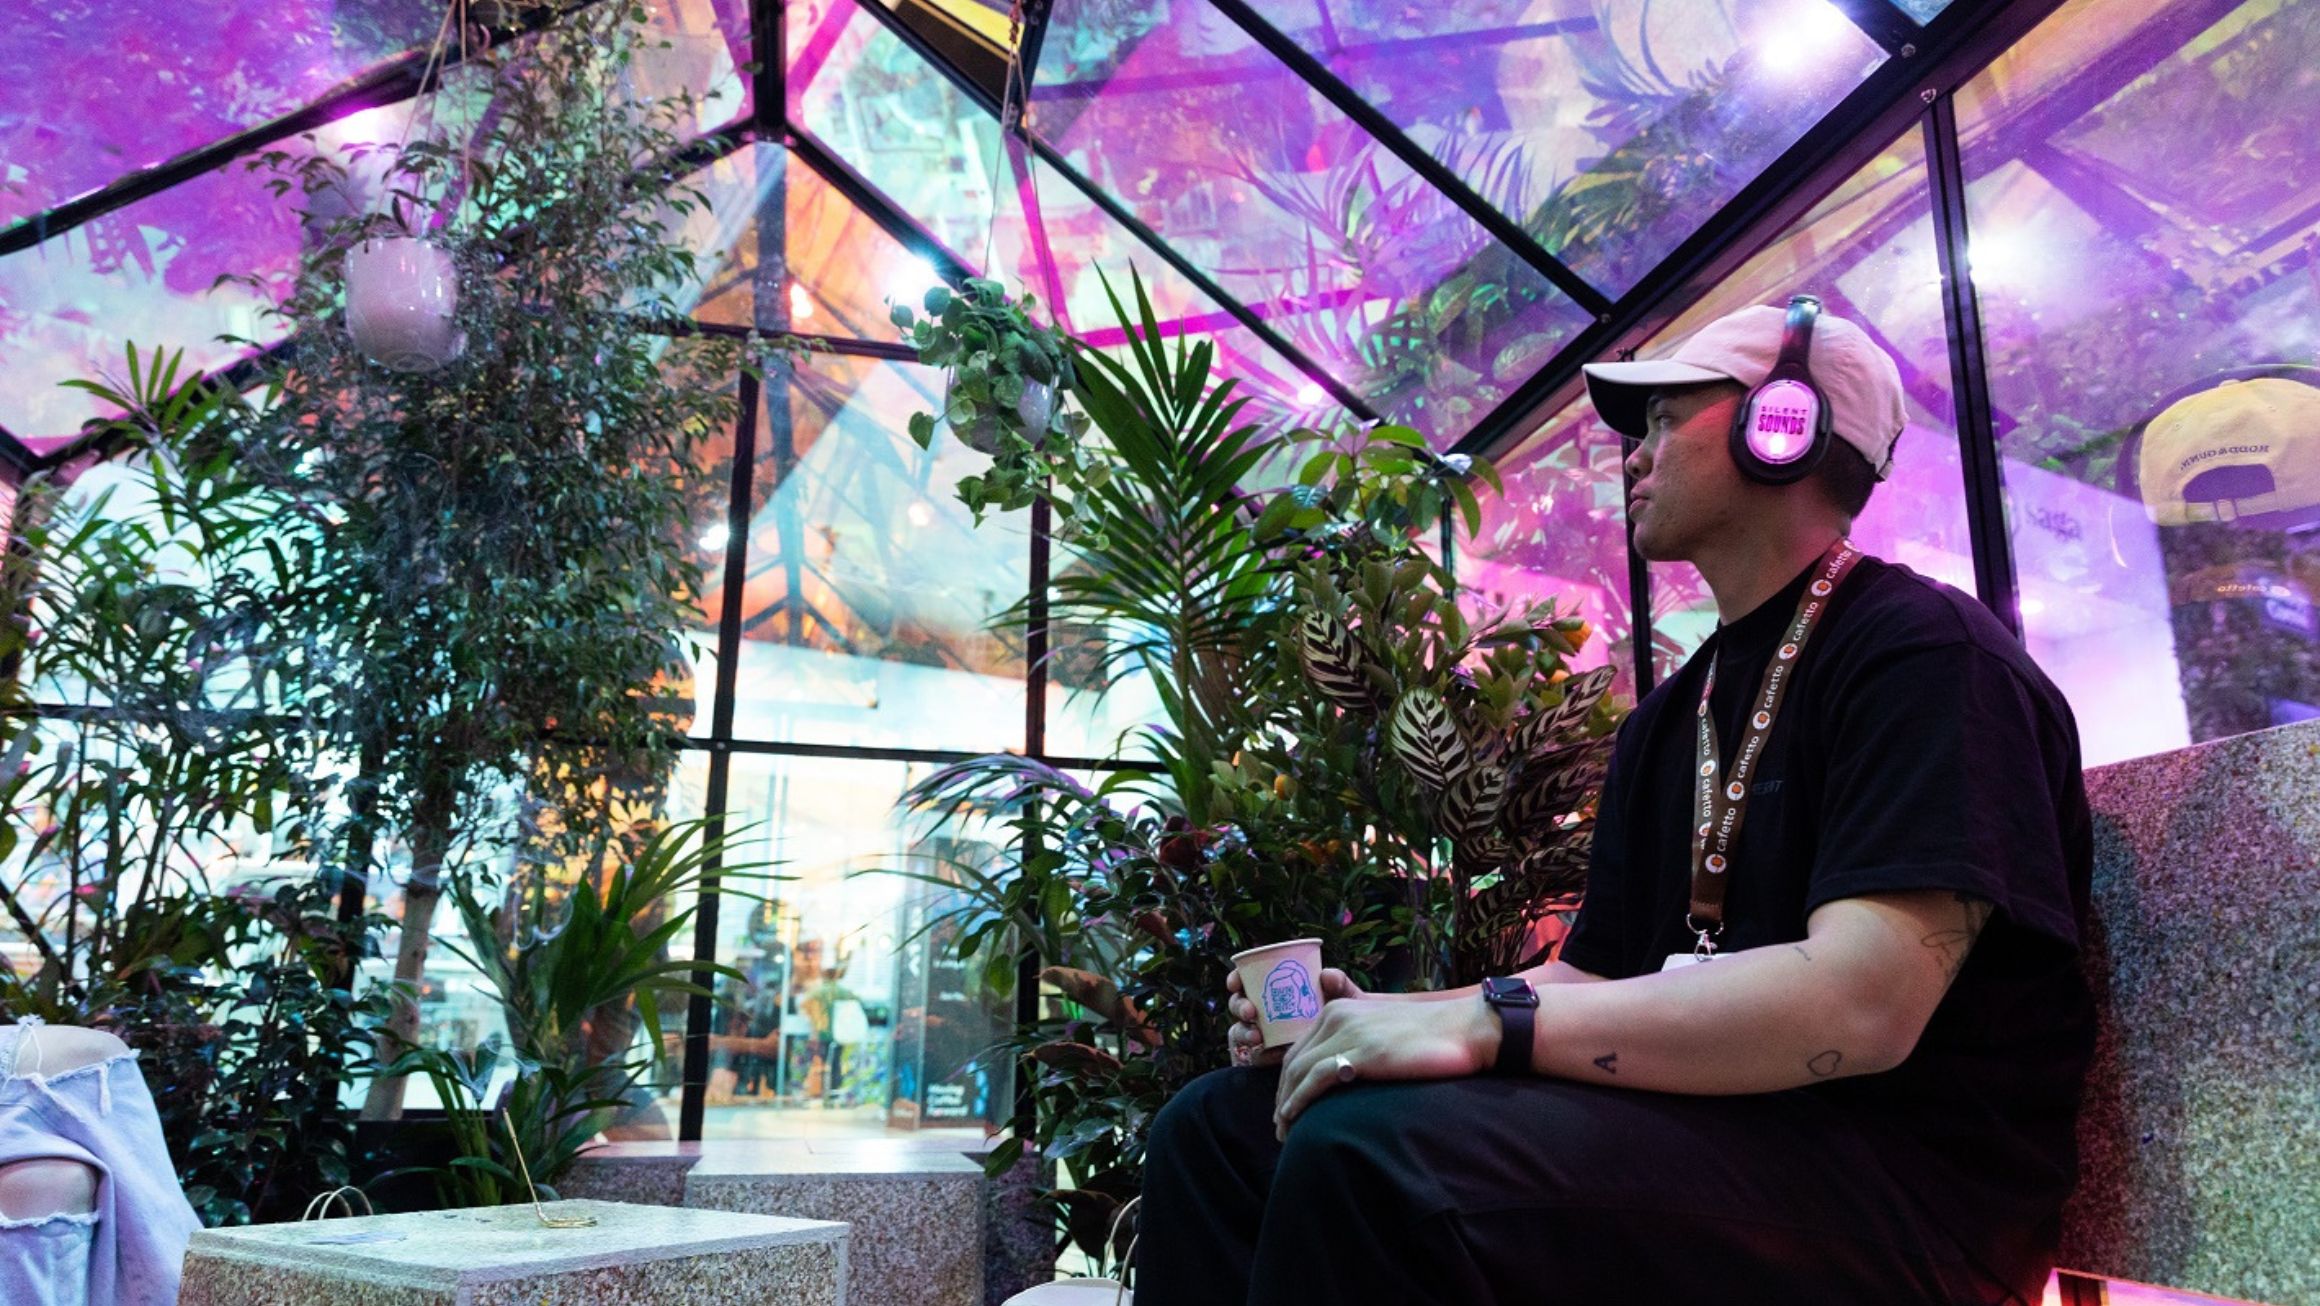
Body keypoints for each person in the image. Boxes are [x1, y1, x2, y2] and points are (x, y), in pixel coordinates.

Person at [1133, 297, 2095, 1304]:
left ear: (1784, 426)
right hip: (1718, 1138)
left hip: (1900, 1198)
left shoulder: (1923, 656)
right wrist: (1384, 1020)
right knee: (1219, 1128)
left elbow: (1863, 1004)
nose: (1632, 453)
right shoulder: (1673, 717)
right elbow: (1594, 972)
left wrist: (1482, 1027)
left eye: (1667, 416)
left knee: (1368, 1154)